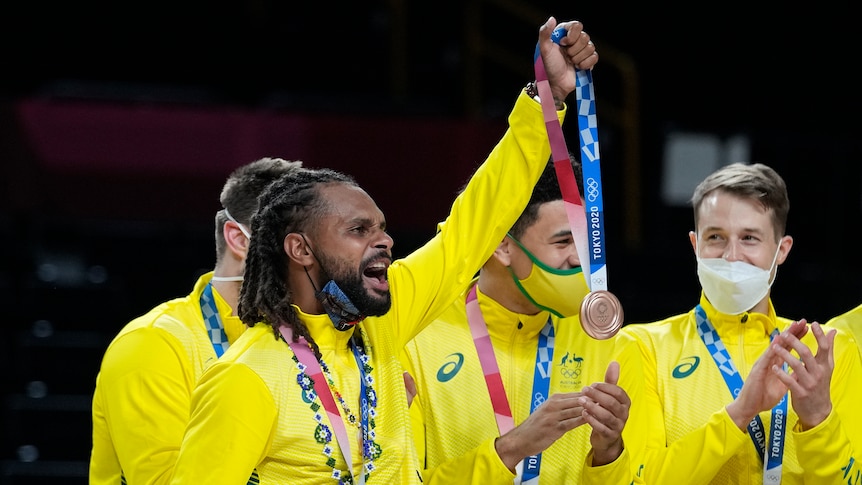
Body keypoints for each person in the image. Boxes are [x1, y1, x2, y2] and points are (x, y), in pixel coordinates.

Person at [168, 16, 599, 485]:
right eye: (358, 229)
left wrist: (546, 100)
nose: (385, 240)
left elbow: (472, 227)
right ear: (300, 248)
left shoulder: (383, 324)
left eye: (383, 228)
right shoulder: (244, 378)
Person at [401, 154, 646, 484]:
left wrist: (608, 455)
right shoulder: (415, 339)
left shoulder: (610, 344)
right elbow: (400, 479)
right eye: (563, 241)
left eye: (586, 243)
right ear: (502, 246)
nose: (579, 259)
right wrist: (511, 450)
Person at [618, 162, 862, 484]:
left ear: (781, 250)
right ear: (695, 246)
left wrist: (818, 420)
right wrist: (739, 415)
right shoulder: (642, 346)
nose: (731, 256)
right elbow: (639, 480)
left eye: (749, 238)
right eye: (716, 237)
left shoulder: (829, 352)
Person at [89, 157, 303, 485]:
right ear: (240, 240)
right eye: (298, 242)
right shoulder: (153, 345)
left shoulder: (307, 343)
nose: (315, 259)